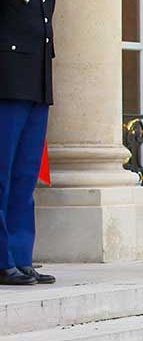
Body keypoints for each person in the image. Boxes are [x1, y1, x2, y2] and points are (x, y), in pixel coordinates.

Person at [0, 0, 56, 286]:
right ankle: (2, 260)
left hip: (37, 79)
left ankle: (21, 257)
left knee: (25, 177)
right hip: (7, 80)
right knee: (2, 175)